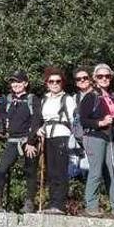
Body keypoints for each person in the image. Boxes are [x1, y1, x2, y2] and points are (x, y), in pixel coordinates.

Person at [0, 71, 42, 212]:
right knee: (1, 169)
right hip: (13, 140)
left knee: (30, 171)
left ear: (26, 83)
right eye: (13, 82)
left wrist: (32, 142)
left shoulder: (33, 99)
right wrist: (1, 130)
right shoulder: (8, 99)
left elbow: (36, 121)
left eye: (19, 82)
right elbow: (2, 117)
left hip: (29, 140)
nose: (16, 85)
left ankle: (29, 202)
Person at [79, 64, 114, 218]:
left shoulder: (113, 96)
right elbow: (84, 121)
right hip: (95, 137)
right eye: (100, 76)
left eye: (107, 76)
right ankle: (92, 206)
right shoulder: (90, 97)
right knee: (96, 172)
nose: (104, 79)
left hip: (113, 138)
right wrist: (101, 123)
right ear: (95, 78)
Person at [38, 67, 77, 214]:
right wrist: (40, 129)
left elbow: (73, 120)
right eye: (51, 81)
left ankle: (59, 204)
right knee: (51, 170)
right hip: (47, 136)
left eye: (58, 81)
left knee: (60, 170)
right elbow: (43, 118)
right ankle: (52, 202)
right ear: (47, 83)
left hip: (62, 135)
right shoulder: (45, 99)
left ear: (62, 83)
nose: (54, 84)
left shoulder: (67, 99)